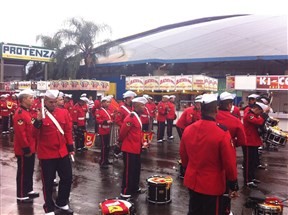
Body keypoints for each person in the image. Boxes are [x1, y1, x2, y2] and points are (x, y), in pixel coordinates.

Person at [180, 93, 238, 215]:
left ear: (201, 109)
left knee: (194, 211)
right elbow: (229, 162)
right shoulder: (222, 132)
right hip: (212, 185)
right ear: (216, 109)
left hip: (193, 181)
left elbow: (183, 156)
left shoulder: (188, 129)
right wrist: (233, 183)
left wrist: (187, 169)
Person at [34, 89, 74, 215]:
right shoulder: (39, 113)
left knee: (67, 178)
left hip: (62, 152)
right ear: (45, 101)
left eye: (55, 102)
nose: (53, 104)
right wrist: (38, 121)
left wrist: (70, 148)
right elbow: (33, 135)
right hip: (47, 154)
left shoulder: (63, 112)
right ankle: (49, 208)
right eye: (51, 102)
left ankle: (62, 202)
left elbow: (67, 131)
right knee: (48, 182)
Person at [216, 92, 247, 214]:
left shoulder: (213, 117)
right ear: (229, 105)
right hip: (228, 155)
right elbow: (242, 141)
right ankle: (225, 210)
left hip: (209, 156)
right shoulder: (235, 121)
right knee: (225, 186)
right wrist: (232, 141)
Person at [13, 89, 39, 203]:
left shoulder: (28, 112)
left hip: (31, 147)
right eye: (30, 98)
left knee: (29, 170)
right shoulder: (20, 113)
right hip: (24, 149)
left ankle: (28, 190)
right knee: (23, 171)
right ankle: (21, 194)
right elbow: (21, 134)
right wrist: (26, 148)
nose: (33, 100)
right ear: (23, 99)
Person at [119, 97, 148, 199]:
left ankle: (134, 187)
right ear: (135, 106)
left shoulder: (136, 116)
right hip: (129, 148)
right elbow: (122, 132)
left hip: (136, 148)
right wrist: (120, 142)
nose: (144, 107)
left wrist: (142, 143)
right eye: (142, 105)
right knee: (128, 171)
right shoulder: (130, 117)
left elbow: (137, 133)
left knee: (136, 169)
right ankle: (125, 191)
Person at [243, 102, 269, 188]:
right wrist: (264, 114)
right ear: (257, 109)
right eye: (260, 112)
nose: (260, 114)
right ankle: (247, 180)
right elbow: (258, 122)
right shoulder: (249, 115)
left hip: (253, 141)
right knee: (248, 162)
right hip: (248, 142)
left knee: (253, 162)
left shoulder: (254, 115)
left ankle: (252, 177)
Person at [95, 96, 113, 169]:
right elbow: (98, 120)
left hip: (108, 130)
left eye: (108, 102)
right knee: (103, 147)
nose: (108, 104)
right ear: (102, 103)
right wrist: (106, 122)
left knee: (107, 147)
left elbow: (111, 118)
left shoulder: (108, 110)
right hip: (102, 131)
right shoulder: (99, 111)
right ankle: (102, 161)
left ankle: (106, 160)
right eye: (106, 102)